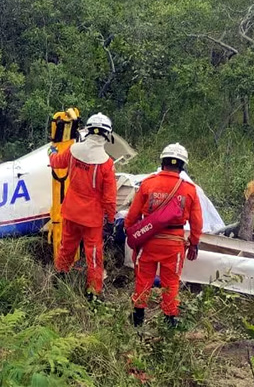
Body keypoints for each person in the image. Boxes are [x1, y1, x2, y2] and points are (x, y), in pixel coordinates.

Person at [124, 143, 203, 327]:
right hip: (174, 244)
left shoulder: (148, 183)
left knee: (143, 280)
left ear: (163, 161)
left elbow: (133, 215)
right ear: (182, 166)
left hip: (148, 240)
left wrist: (130, 231)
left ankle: (138, 319)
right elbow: (197, 222)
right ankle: (169, 321)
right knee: (171, 283)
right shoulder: (189, 189)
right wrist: (194, 242)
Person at [48, 112, 117, 301]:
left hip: (70, 211)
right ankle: (93, 293)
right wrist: (111, 220)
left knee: (66, 247)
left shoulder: (73, 150)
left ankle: (59, 277)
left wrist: (51, 151)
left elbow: (55, 162)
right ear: (106, 135)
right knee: (93, 256)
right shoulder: (106, 164)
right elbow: (109, 199)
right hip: (92, 218)